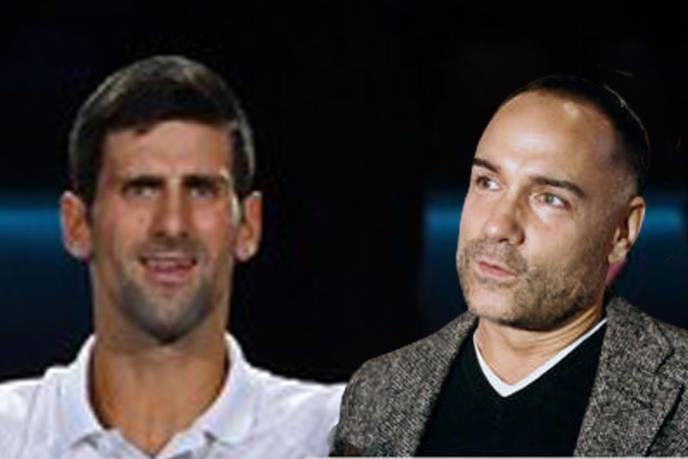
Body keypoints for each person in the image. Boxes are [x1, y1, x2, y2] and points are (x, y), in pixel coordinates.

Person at [0, 55, 343, 459]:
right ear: (77, 224)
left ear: (248, 225)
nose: (173, 224)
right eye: (142, 189)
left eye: (201, 190)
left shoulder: (331, 438)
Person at [332, 75, 688, 456]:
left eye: (549, 198)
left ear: (622, 231)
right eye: (487, 182)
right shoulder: (377, 392)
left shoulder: (678, 392)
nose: (498, 226)